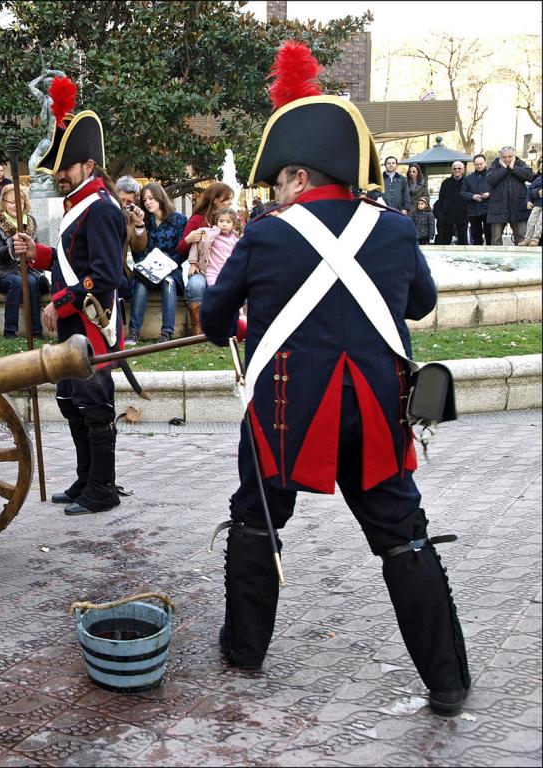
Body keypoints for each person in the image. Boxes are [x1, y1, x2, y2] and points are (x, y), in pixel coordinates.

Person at [201, 41, 470, 717]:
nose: (277, 192)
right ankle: (447, 681)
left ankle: (246, 649)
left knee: (258, 521)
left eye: (280, 181)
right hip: (378, 412)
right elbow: (420, 304)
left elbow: (212, 319)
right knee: (404, 535)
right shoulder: (397, 228)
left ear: (298, 173)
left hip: (288, 412)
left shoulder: (266, 234)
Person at [13, 76, 125, 517]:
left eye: (65, 167)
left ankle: (103, 488)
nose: (58, 175)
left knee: (94, 406)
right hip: (74, 318)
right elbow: (68, 261)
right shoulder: (80, 205)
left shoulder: (100, 209)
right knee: (72, 402)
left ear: (88, 167)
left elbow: (105, 277)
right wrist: (35, 252)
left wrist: (57, 304)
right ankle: (86, 480)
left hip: (93, 321)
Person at [128, 183, 187, 344]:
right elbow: (137, 253)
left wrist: (167, 264)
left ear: (160, 198)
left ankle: (166, 333)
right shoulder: (143, 221)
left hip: (170, 269)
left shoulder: (179, 220)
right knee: (140, 284)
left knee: (168, 282)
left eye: (151, 198)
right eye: (144, 199)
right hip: (148, 270)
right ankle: (134, 333)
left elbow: (183, 251)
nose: (147, 202)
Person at [0, 183, 45, 339]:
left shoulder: (30, 222)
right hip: (2, 271)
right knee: (18, 282)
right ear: (4, 203)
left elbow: (36, 249)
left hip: (26, 269)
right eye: (11, 202)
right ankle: (10, 331)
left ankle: (36, 331)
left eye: (19, 202)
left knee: (32, 282)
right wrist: (12, 245)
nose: (15, 205)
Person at [179, 182, 235, 336]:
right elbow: (181, 249)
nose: (230, 202)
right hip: (202, 269)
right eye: (227, 199)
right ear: (215, 199)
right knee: (196, 285)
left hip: (225, 268)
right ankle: (199, 327)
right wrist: (189, 240)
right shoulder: (198, 220)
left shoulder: (232, 219)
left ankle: (231, 325)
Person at [185, 208, 240, 325]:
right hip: (211, 272)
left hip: (227, 273)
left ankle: (237, 321)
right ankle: (212, 322)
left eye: (228, 222)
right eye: (221, 221)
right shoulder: (208, 233)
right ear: (216, 222)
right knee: (216, 295)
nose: (224, 224)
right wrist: (193, 263)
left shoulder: (235, 239)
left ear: (233, 224)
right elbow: (195, 246)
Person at [485, 147, 532, 245]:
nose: (507, 159)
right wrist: (504, 169)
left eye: (510, 157)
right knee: (496, 239)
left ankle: (520, 260)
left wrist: (513, 168)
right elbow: (491, 180)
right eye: (504, 157)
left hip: (518, 207)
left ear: (514, 156)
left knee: (521, 238)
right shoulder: (495, 165)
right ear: (500, 157)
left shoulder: (521, 164)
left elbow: (529, 176)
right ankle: (496, 260)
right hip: (498, 209)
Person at [434, 161, 468, 245]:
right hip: (448, 215)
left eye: (459, 168)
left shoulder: (467, 181)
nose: (457, 170)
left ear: (463, 170)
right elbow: (440, 199)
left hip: (463, 215)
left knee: (463, 240)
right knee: (445, 240)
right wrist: (440, 213)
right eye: (455, 168)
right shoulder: (446, 182)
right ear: (452, 170)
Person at [461, 154, 492, 245]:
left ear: (485, 163)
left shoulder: (491, 176)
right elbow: (462, 193)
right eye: (477, 164)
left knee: (489, 235)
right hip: (473, 211)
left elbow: (498, 191)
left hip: (488, 211)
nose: (479, 166)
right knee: (476, 236)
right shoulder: (468, 178)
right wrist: (472, 196)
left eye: (481, 164)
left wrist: (489, 194)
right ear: (474, 164)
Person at [521, 170, 542, 246]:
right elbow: (530, 191)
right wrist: (528, 201)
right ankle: (527, 239)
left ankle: (535, 239)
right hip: (537, 204)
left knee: (540, 222)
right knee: (531, 221)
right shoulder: (538, 179)